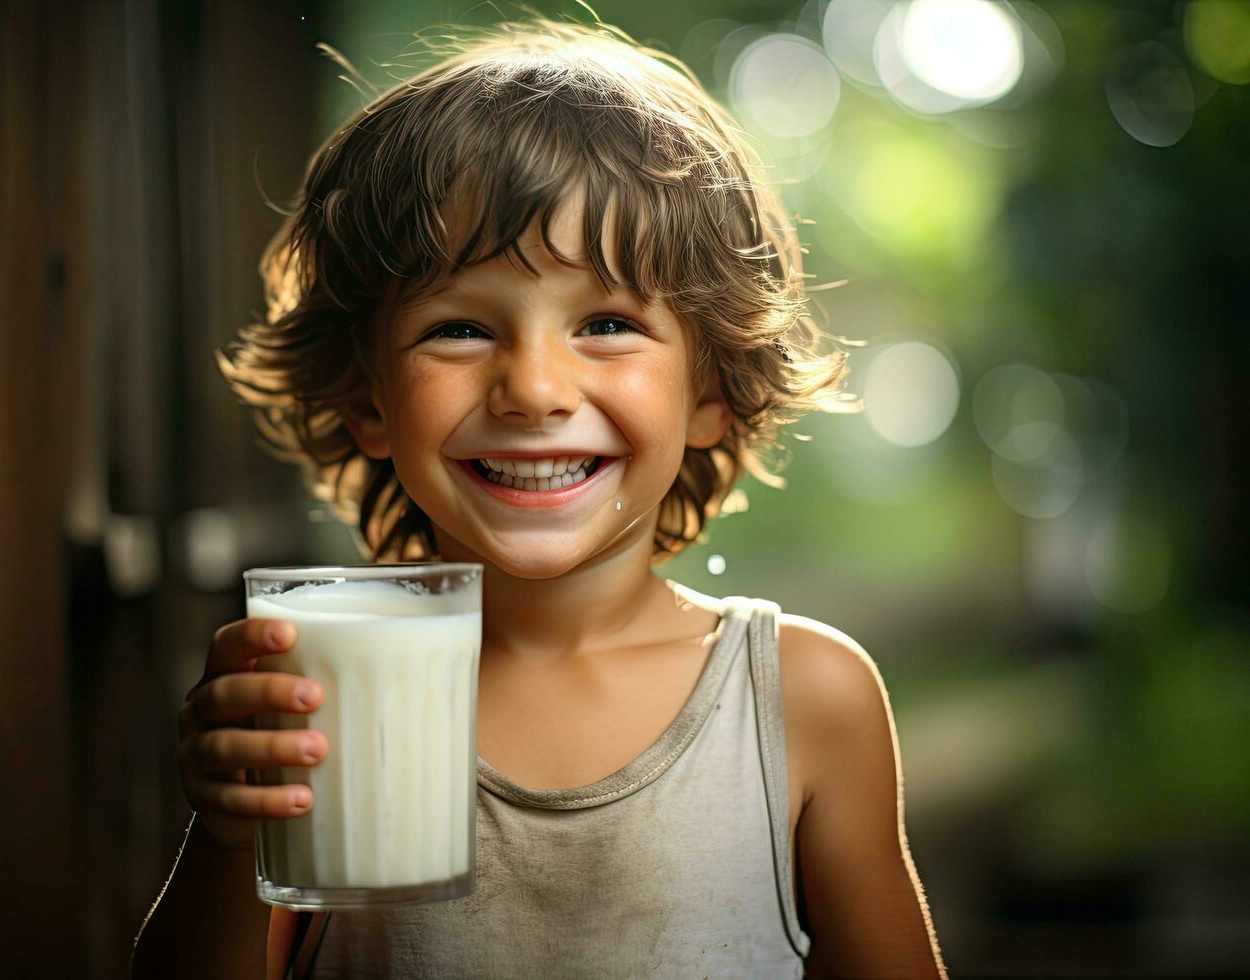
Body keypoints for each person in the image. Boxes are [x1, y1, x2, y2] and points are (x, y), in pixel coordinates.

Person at [133, 14, 946, 980]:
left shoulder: (803, 700)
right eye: (461, 330)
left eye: (606, 322)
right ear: (367, 402)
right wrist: (228, 833)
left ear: (713, 392)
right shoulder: (330, 692)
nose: (534, 388)